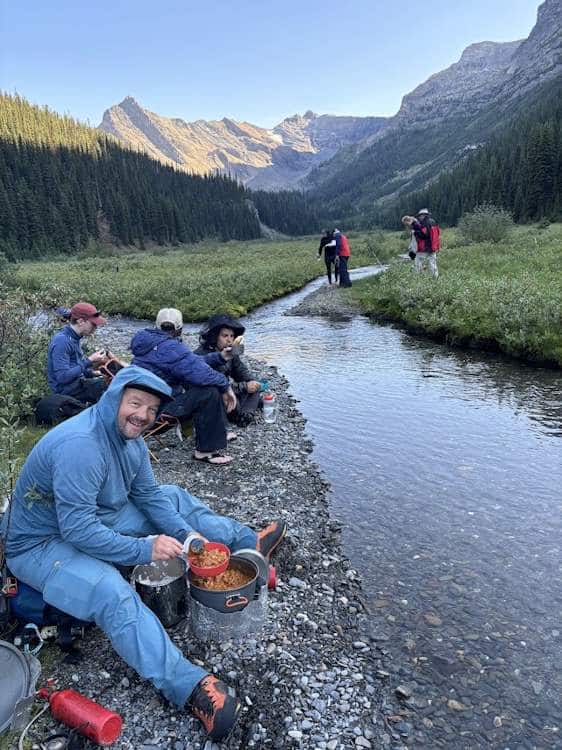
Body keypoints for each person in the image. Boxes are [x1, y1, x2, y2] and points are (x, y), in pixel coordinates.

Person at [0, 366, 287, 742]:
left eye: (151, 410)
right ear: (114, 397)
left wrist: (187, 539)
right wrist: (144, 548)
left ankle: (248, 545)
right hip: (40, 543)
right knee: (110, 591)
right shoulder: (81, 446)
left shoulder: (131, 440)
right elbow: (78, 530)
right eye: (135, 403)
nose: (143, 415)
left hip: (91, 516)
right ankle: (189, 688)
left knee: (173, 497)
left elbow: (149, 497)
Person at [130, 308, 238, 465]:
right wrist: (226, 387)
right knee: (209, 391)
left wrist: (220, 357)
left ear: (156, 326)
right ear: (180, 329)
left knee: (197, 384)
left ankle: (216, 434)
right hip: (160, 407)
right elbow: (198, 371)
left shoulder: (148, 341)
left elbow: (191, 362)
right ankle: (205, 451)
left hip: (140, 400)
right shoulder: (172, 348)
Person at [196, 315, 262, 426]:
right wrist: (244, 387)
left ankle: (245, 415)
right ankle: (243, 413)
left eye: (232, 336)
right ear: (215, 336)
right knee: (229, 399)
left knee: (255, 388)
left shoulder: (230, 352)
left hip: (230, 391)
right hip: (213, 398)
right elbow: (214, 387)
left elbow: (240, 371)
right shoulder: (202, 355)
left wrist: (252, 382)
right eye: (225, 336)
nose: (229, 340)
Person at [47, 301, 110, 404]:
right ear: (81, 321)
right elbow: (62, 377)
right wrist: (89, 361)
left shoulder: (74, 338)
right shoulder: (62, 341)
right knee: (110, 387)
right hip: (68, 392)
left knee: (111, 381)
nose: (95, 328)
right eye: (93, 324)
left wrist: (94, 373)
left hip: (77, 385)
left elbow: (75, 367)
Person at [411, 209, 440, 278]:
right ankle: (435, 278)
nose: (419, 217)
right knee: (433, 264)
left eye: (420, 216)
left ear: (423, 215)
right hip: (433, 247)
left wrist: (415, 232)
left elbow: (423, 235)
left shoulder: (424, 223)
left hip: (424, 248)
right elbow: (438, 233)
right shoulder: (433, 222)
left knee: (418, 263)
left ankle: (417, 278)